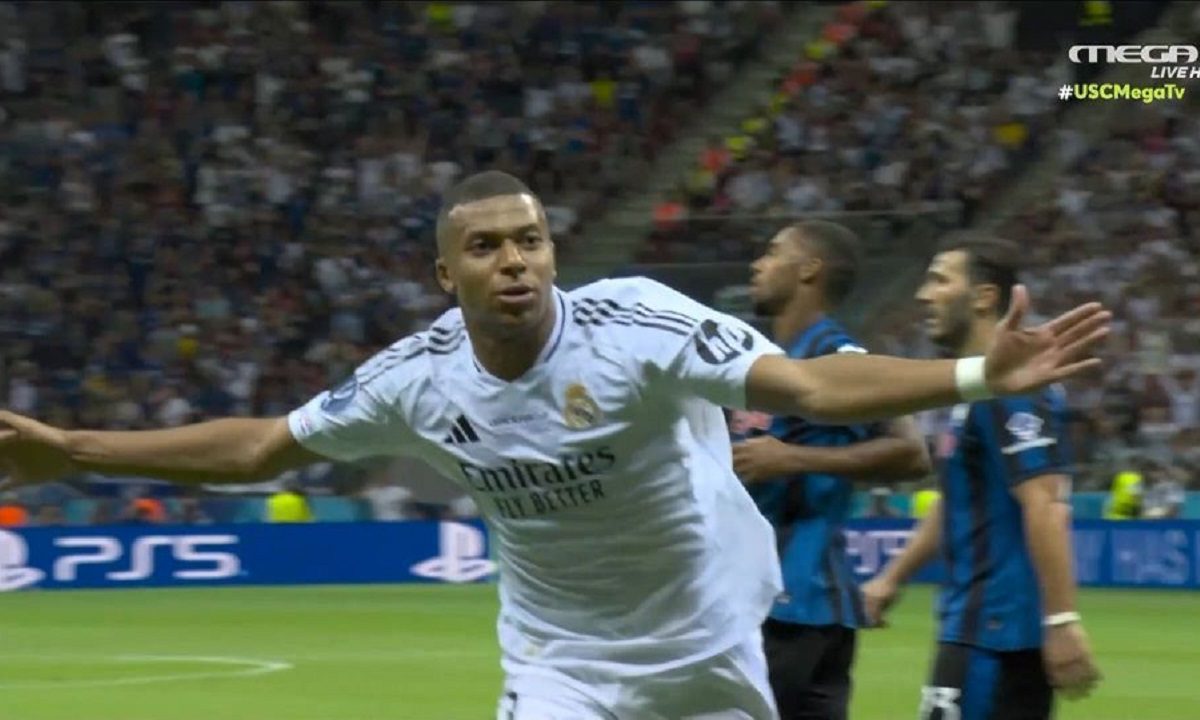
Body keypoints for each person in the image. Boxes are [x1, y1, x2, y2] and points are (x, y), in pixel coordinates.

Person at [0, 172, 1110, 719]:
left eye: (529, 240)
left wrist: (979, 373)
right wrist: (77, 452)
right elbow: (259, 448)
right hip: (561, 665)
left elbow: (814, 382)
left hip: (712, 645)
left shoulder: (639, 326)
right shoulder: (417, 376)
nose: (515, 261)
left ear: (552, 251)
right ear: (448, 274)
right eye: (487, 247)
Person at [861, 234, 1103, 720]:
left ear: (984, 297)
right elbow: (957, 498)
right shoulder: (977, 388)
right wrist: (892, 578)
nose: (922, 295)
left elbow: (1046, 503)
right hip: (975, 626)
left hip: (996, 633)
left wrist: (1061, 620)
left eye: (939, 280)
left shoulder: (1014, 388)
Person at [731, 221, 931, 719]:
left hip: (794, 598)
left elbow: (910, 452)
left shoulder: (837, 356)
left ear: (809, 270)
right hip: (765, 597)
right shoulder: (765, 360)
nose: (757, 265)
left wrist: (793, 458)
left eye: (772, 253)